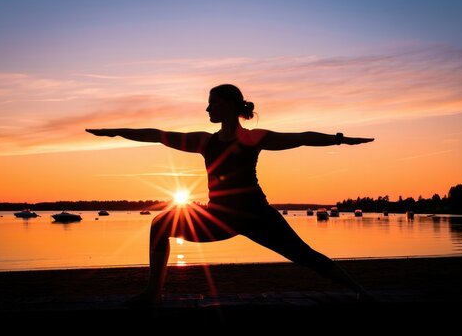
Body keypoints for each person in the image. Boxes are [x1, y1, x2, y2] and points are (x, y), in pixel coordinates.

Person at [86, 84, 375, 305]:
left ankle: (360, 291)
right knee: (161, 224)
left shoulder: (252, 138)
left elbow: (301, 138)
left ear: (228, 105)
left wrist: (340, 139)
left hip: (257, 215)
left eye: (212, 103)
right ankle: (153, 293)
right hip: (219, 218)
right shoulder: (204, 141)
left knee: (305, 256)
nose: (207, 109)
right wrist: (117, 131)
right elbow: (158, 134)